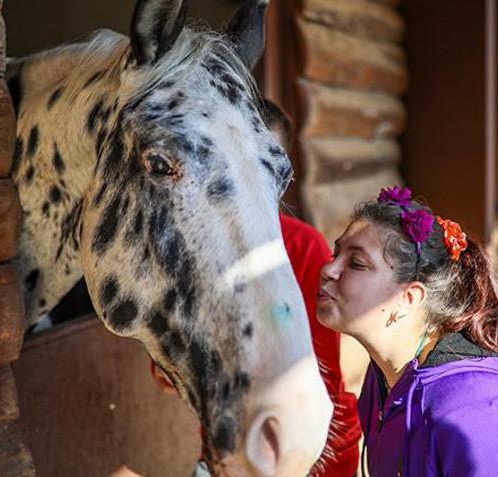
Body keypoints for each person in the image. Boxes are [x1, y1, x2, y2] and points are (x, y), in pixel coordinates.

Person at [317, 185, 498, 477]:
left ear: (408, 299)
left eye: (356, 263)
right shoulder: (383, 380)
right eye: (336, 253)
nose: (329, 269)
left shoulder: (477, 413)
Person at [151, 99, 362, 476]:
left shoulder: (304, 246)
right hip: (229, 438)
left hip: (312, 446)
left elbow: (319, 369)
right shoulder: (199, 247)